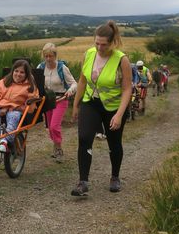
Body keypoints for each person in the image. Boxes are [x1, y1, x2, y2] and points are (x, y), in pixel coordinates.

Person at [71, 20, 133, 196]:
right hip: (91, 102)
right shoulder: (89, 54)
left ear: (112, 42)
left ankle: (115, 177)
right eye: (96, 43)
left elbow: (127, 88)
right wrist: (76, 105)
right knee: (84, 138)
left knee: (114, 142)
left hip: (114, 106)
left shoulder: (122, 60)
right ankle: (83, 182)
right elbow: (82, 81)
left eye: (103, 44)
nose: (99, 47)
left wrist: (120, 114)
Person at [0, 59, 40, 153]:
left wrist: (8, 108)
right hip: (1, 108)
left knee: (13, 115)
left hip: (17, 111)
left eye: (22, 72)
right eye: (16, 71)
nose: (18, 74)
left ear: (26, 74)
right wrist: (7, 106)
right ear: (12, 71)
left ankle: (4, 142)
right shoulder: (2, 82)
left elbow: (30, 108)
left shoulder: (30, 87)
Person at [37, 43, 77, 161]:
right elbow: (36, 83)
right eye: (46, 56)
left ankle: (58, 148)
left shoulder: (62, 68)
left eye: (51, 56)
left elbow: (74, 83)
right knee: (50, 127)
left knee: (54, 126)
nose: (48, 59)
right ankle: (56, 145)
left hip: (61, 99)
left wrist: (70, 91)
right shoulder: (40, 67)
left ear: (55, 56)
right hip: (47, 100)